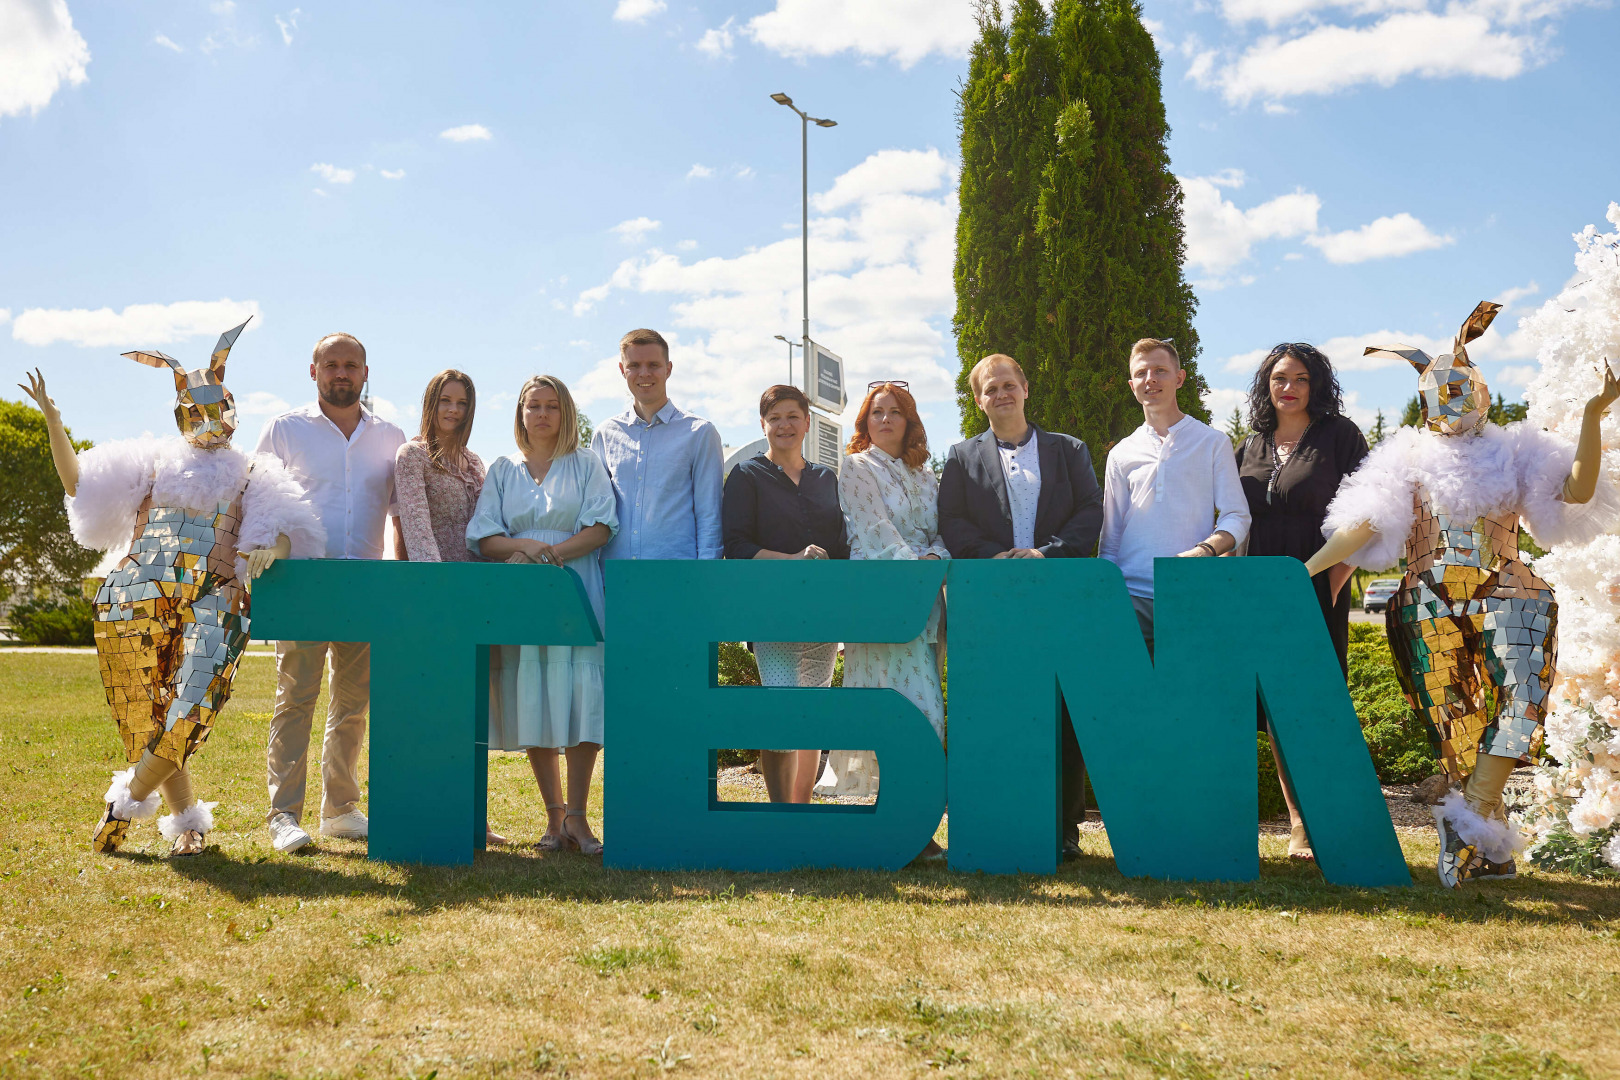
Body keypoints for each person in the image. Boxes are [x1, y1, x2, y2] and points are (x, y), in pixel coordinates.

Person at [1311, 301, 1620, 887]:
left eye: (1461, 390)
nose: (1451, 402)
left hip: (1509, 593)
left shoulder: (1518, 450)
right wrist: (1307, 570)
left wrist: (1590, 416)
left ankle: (1470, 817)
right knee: (1458, 726)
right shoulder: (1404, 455)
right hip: (1426, 601)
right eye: (1439, 393)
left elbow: (1576, 493)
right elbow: (1368, 521)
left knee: (1520, 703)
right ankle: (1493, 850)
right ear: (1425, 400)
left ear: (1481, 390)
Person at [20, 322, 322, 857]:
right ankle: (187, 822)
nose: (207, 420)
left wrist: (271, 547)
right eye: (194, 408)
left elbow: (284, 528)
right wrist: (55, 423)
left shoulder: (254, 473)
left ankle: (124, 800)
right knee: (144, 717)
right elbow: (80, 488)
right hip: (133, 597)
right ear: (179, 411)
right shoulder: (150, 465)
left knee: (191, 710)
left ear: (232, 407)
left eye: (217, 407)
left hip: (216, 601)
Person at [937, 353, 1105, 860]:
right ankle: (999, 811)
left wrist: (1044, 553)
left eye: (1009, 385)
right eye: (991, 388)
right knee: (997, 703)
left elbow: (1089, 511)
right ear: (977, 398)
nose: (1002, 395)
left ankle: (1066, 827)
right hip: (992, 600)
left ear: (1026, 389)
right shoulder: (962, 456)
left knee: (1062, 709)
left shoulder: (1068, 450)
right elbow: (952, 520)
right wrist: (995, 556)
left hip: (1058, 593)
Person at [255, 332, 406, 854]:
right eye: (332, 365)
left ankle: (339, 809)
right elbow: (258, 497)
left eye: (352, 365)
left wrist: (404, 576)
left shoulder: (391, 436)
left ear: (366, 372)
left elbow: (399, 515)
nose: (342, 373)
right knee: (295, 698)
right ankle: (283, 816)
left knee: (353, 703)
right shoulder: (285, 429)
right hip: (302, 581)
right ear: (313, 370)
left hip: (365, 582)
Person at [468, 375, 617, 855]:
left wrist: (552, 553)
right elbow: (484, 536)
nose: (543, 415)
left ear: (565, 412)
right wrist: (525, 546)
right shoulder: (503, 469)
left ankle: (579, 817)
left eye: (552, 406)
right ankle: (554, 819)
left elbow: (601, 528)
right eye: (534, 406)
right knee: (533, 696)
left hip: (577, 591)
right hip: (524, 600)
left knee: (580, 699)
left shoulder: (586, 463)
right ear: (520, 412)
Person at [1233, 343, 1368, 861]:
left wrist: (1336, 580)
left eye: (1300, 378)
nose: (1288, 387)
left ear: (1317, 385)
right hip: (1254, 587)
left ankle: (1324, 818)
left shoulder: (1341, 436)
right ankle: (1296, 821)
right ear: (1266, 385)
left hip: (1314, 584)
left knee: (1312, 700)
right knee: (1269, 704)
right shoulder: (1249, 444)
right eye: (1278, 378)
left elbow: (1370, 512)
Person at [393, 368, 507, 847]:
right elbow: (416, 528)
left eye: (462, 402)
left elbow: (484, 532)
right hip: (433, 600)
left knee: (472, 713)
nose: (454, 410)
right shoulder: (412, 456)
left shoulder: (476, 463)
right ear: (430, 402)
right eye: (445, 400)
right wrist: (439, 596)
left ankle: (473, 819)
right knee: (432, 707)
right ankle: (425, 813)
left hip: (475, 602)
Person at [722, 384, 850, 803]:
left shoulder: (826, 477)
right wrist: (791, 558)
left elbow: (842, 548)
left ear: (807, 423)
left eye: (793, 416)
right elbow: (736, 546)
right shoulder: (746, 476)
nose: (784, 425)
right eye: (774, 417)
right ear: (763, 425)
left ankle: (802, 812)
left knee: (811, 718)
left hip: (823, 619)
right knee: (779, 718)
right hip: (771, 615)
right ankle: (781, 818)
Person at [839, 381, 949, 859]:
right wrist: (919, 571)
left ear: (910, 422)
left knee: (924, 708)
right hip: (881, 598)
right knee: (905, 707)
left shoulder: (927, 477)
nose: (884, 419)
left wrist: (935, 560)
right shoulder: (856, 468)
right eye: (876, 413)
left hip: (927, 602)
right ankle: (903, 826)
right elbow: (875, 531)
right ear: (864, 422)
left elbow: (940, 534)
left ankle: (907, 822)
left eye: (894, 412)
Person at [1100, 338, 1250, 655]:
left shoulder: (1213, 443)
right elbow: (1111, 535)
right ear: (1131, 385)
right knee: (1131, 698)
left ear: (1179, 378)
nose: (1150, 379)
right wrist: (1107, 595)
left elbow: (1237, 516)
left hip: (1190, 593)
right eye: (1141, 373)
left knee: (1189, 697)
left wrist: (1205, 550)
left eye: (1160, 370)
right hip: (1129, 598)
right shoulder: (1120, 453)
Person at [590, 328, 723, 563]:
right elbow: (595, 512)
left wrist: (706, 577)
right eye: (634, 365)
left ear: (668, 369)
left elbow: (709, 515)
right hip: (614, 576)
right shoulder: (604, 434)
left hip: (679, 577)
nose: (644, 373)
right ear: (622, 370)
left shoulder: (700, 433)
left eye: (653, 365)